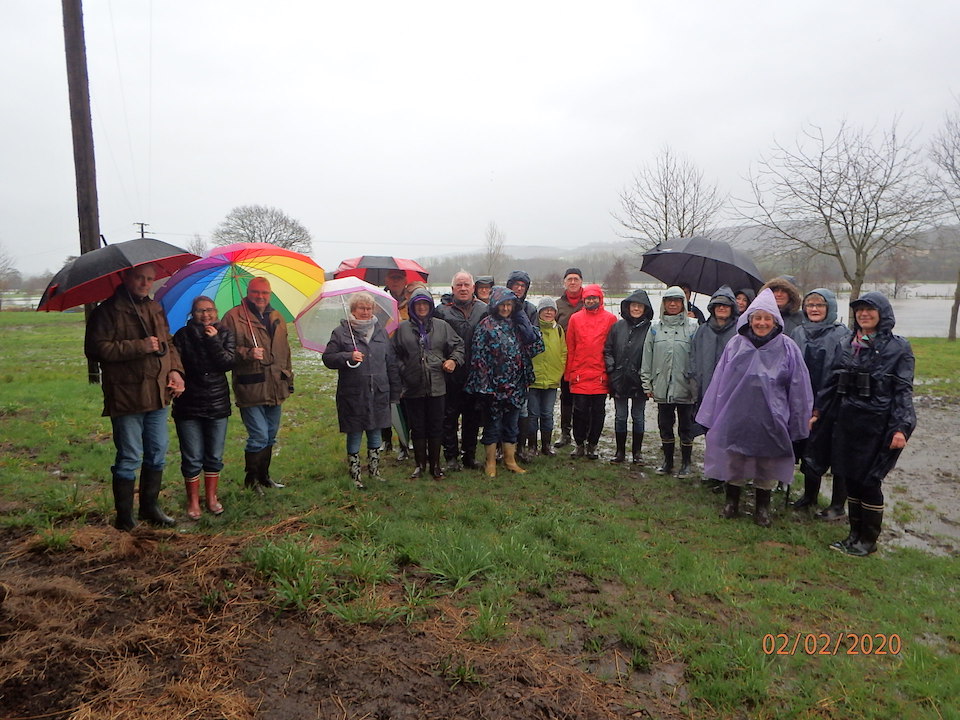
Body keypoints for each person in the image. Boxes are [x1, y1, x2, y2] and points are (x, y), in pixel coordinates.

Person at [807, 292, 915, 556]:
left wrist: (902, 427)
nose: (864, 314)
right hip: (847, 421)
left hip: (878, 423)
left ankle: (868, 540)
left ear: (882, 314)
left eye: (870, 310)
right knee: (850, 477)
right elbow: (833, 381)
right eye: (860, 310)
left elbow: (903, 390)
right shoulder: (847, 343)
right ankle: (853, 536)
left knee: (869, 481)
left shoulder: (898, 348)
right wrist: (818, 411)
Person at [695, 289, 813, 527]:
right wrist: (711, 413)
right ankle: (732, 502)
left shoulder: (788, 348)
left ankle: (762, 507)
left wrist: (798, 423)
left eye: (767, 318)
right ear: (749, 319)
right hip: (737, 413)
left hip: (772, 416)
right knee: (735, 458)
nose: (761, 323)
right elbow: (719, 380)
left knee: (766, 462)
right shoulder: (736, 345)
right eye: (757, 317)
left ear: (775, 321)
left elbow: (799, 387)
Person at [84, 264, 185, 531]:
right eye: (139, 277)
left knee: (157, 453)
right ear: (125, 277)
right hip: (126, 395)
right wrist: (140, 346)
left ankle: (150, 508)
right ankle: (124, 518)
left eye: (149, 279)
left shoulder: (155, 308)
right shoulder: (106, 312)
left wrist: (175, 371)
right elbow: (96, 349)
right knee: (129, 456)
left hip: (158, 393)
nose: (145, 283)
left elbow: (169, 343)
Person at [322, 292, 402, 488]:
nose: (366, 312)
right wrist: (348, 356)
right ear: (353, 310)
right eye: (361, 308)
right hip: (353, 393)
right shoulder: (341, 333)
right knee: (355, 432)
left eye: (369, 308)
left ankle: (374, 471)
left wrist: (394, 391)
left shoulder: (381, 332)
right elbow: (328, 359)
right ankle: (355, 474)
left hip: (379, 392)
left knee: (375, 431)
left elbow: (390, 362)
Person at [222, 277, 293, 496]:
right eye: (256, 292)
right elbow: (222, 353)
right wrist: (246, 353)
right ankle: (250, 479)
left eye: (264, 293)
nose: (260, 297)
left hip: (275, 385)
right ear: (248, 292)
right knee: (259, 435)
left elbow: (285, 352)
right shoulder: (233, 317)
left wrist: (288, 380)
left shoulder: (277, 316)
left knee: (270, 435)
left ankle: (264, 476)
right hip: (250, 387)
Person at [465, 286, 544, 477]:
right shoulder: (485, 325)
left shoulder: (517, 324)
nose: (506, 309)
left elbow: (537, 347)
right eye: (503, 305)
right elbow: (478, 357)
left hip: (516, 386)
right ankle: (490, 462)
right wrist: (484, 386)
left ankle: (510, 460)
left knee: (512, 425)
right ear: (495, 305)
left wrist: (526, 324)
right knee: (492, 426)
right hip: (493, 387)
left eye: (510, 305)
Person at [172, 296, 236, 519]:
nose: (205, 315)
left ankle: (211, 498)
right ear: (193, 313)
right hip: (188, 403)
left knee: (214, 455)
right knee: (192, 456)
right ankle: (192, 501)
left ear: (216, 312)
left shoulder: (225, 333)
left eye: (209, 310)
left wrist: (214, 341)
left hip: (217, 402)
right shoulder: (182, 336)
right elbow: (175, 364)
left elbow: (227, 363)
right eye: (200, 311)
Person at [789, 288, 851, 517]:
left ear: (830, 308)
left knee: (837, 453)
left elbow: (839, 371)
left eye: (820, 305)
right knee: (808, 449)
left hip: (833, 403)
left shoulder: (841, 334)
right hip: (802, 401)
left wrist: (822, 404)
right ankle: (809, 495)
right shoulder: (798, 332)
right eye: (810, 304)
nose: (814, 309)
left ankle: (837, 505)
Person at [393, 288, 464, 479]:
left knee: (435, 425)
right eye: (418, 304)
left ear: (430, 306)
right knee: (417, 426)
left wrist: (453, 360)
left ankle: (435, 465)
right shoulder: (402, 329)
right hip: (413, 385)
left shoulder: (442, 327)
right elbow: (394, 355)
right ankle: (419, 465)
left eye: (425, 304)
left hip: (437, 385)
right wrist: (403, 370)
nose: (422, 307)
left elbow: (459, 346)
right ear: (412, 307)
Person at [640, 286, 699, 477]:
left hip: (686, 387)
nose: (672, 304)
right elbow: (647, 356)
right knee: (665, 425)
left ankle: (686, 463)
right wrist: (647, 383)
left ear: (683, 303)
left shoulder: (694, 326)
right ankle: (668, 461)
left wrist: (696, 386)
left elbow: (698, 358)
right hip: (662, 385)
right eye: (668, 300)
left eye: (677, 300)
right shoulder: (655, 327)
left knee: (686, 426)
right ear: (663, 303)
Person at [434, 271, 488, 470]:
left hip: (476, 373)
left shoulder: (484, 309)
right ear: (452, 289)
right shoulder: (441, 311)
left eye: (467, 285)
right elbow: (434, 341)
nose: (463, 288)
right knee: (449, 416)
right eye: (459, 285)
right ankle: (450, 457)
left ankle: (469, 456)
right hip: (450, 373)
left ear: (473, 288)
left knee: (472, 417)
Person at [689, 286, 740, 486]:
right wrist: (694, 384)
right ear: (712, 307)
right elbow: (693, 356)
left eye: (726, 305)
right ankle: (713, 473)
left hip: (731, 393)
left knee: (729, 435)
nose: (722, 308)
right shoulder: (702, 330)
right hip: (706, 390)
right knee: (711, 435)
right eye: (718, 305)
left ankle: (730, 474)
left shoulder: (740, 331)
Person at [565, 283, 618, 460]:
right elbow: (570, 347)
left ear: (600, 298)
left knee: (598, 412)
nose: (591, 300)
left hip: (600, 374)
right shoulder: (575, 318)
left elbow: (613, 348)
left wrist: (611, 374)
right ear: (584, 299)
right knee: (579, 411)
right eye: (588, 298)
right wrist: (569, 373)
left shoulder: (610, 319)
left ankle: (592, 444)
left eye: (594, 297)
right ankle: (579, 444)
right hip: (580, 372)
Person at [604, 289, 653, 464]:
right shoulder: (617, 327)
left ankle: (637, 453)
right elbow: (608, 349)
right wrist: (612, 369)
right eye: (633, 305)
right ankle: (620, 452)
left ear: (645, 308)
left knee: (638, 416)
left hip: (640, 380)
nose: (636, 309)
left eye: (640, 306)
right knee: (620, 416)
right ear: (628, 307)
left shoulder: (650, 328)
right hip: (619, 379)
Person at [528, 297, 567, 456]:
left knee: (547, 414)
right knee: (532, 415)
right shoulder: (531, 330)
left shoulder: (558, 330)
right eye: (545, 310)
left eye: (552, 310)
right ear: (539, 312)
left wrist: (559, 371)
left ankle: (546, 445)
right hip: (533, 381)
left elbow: (563, 352)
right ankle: (531, 446)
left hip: (552, 381)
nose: (549, 312)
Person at [553, 268, 584, 448]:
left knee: (584, 399)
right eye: (569, 279)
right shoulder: (557, 305)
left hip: (585, 358)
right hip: (565, 358)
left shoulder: (588, 302)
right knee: (566, 396)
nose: (572, 282)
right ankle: (565, 433)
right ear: (564, 282)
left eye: (576, 279)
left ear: (581, 282)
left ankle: (584, 433)